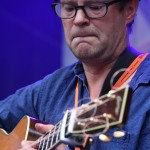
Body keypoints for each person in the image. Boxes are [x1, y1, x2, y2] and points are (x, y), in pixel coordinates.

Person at [0, 0, 150, 149]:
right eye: (69, 8)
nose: (78, 19)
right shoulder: (49, 90)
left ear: (129, 10)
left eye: (95, 7)